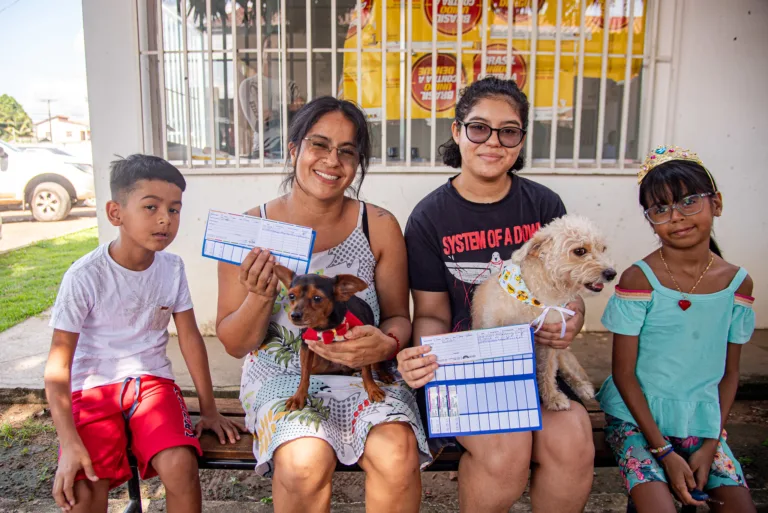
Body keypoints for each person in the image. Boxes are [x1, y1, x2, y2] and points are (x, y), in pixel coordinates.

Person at [216, 96, 430, 513]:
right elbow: (235, 344)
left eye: (347, 151)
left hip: (364, 370)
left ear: (358, 163)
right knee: (303, 462)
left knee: (397, 453)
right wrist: (261, 296)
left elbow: (398, 317)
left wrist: (386, 344)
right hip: (282, 375)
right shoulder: (250, 228)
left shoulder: (379, 226)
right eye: (319, 145)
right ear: (294, 149)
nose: (332, 161)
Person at [398, 76, 594, 513]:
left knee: (575, 442)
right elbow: (431, 312)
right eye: (479, 127)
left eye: (509, 131)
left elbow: (568, 294)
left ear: (521, 140)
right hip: (467, 366)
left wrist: (572, 319)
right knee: (506, 452)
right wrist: (424, 354)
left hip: (534, 362)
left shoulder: (543, 206)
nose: (493, 142)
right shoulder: (430, 217)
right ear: (457, 131)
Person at [44, 155, 244, 513]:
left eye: (175, 209)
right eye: (151, 207)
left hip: (152, 386)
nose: (166, 218)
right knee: (84, 490)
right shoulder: (85, 275)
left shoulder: (172, 268)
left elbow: (190, 340)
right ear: (115, 213)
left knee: (182, 467)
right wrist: (69, 442)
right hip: (92, 390)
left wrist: (209, 410)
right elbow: (58, 368)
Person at [596, 145, 756, 513]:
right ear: (649, 219)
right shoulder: (640, 279)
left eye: (689, 202)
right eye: (660, 208)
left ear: (716, 203)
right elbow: (624, 374)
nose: (677, 217)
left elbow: (730, 374)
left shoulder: (737, 284)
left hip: (703, 423)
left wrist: (712, 442)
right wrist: (663, 451)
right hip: (637, 421)